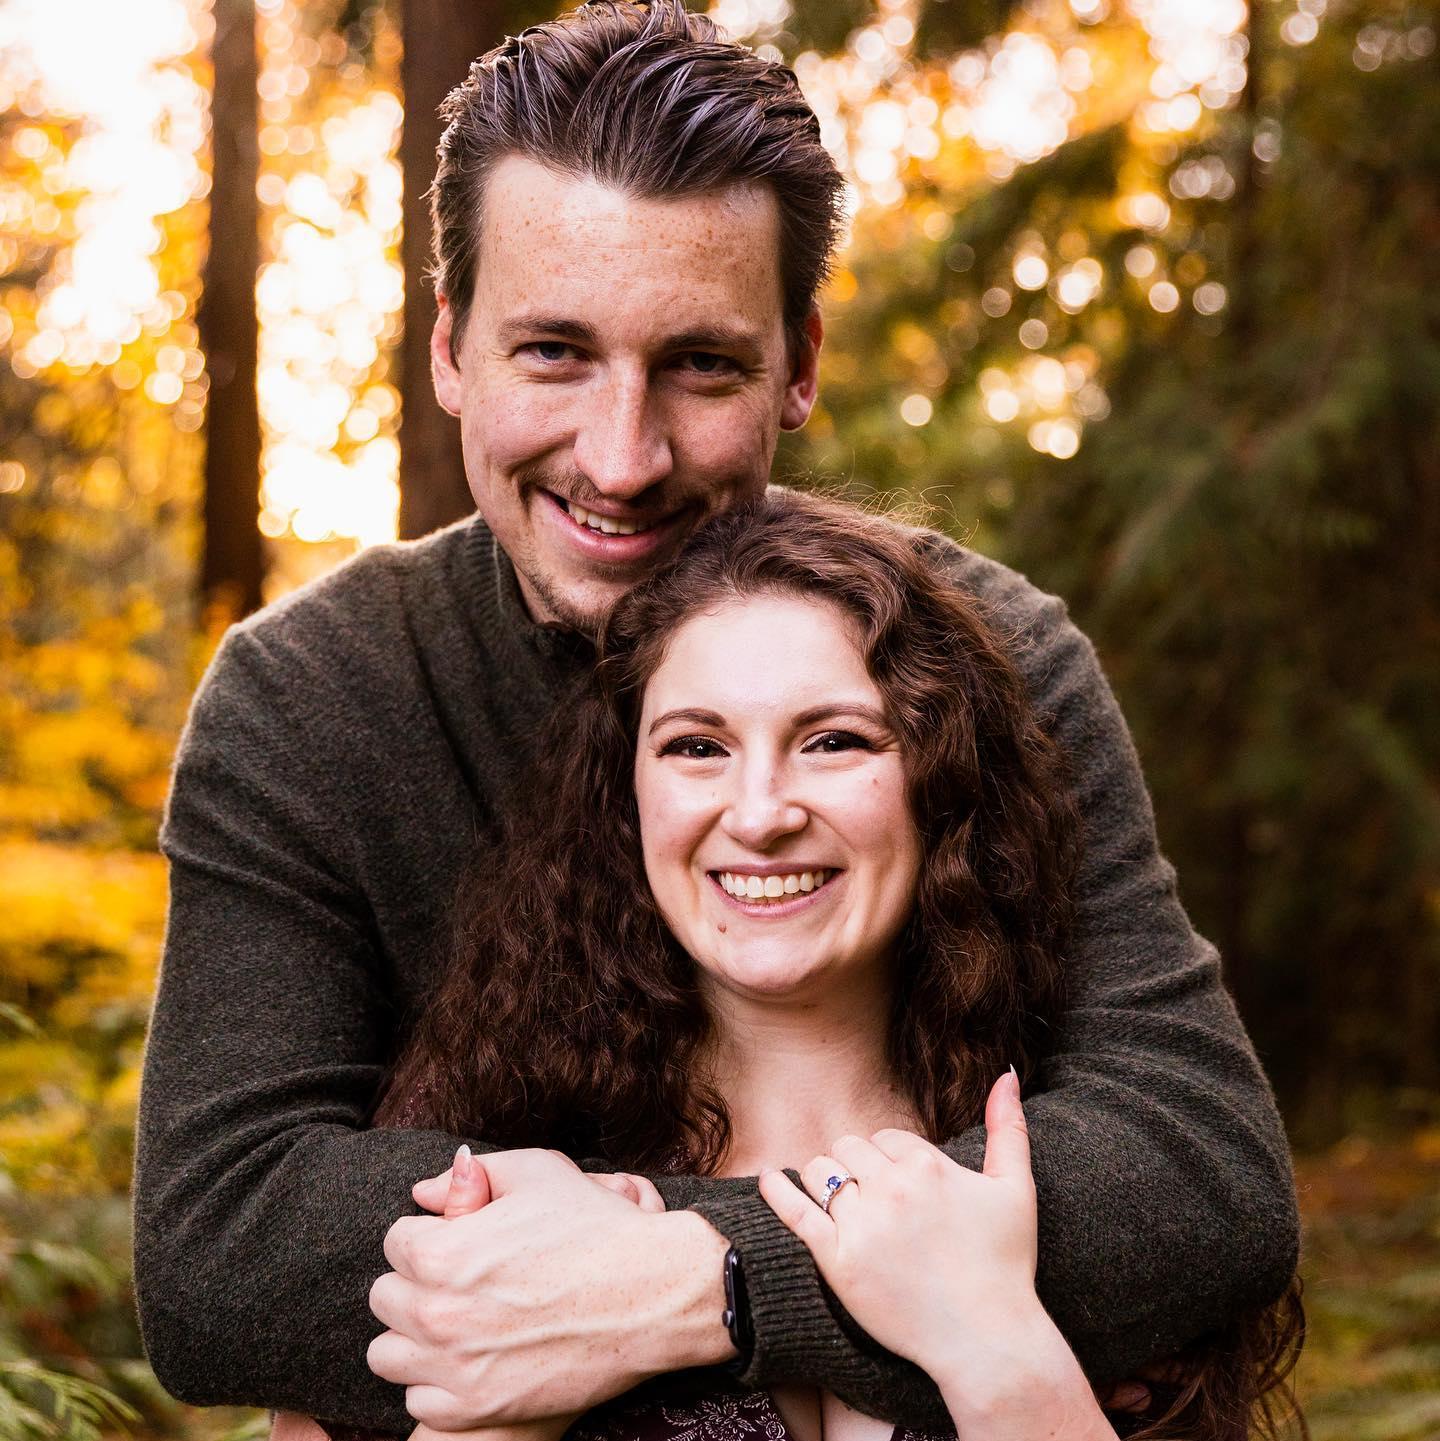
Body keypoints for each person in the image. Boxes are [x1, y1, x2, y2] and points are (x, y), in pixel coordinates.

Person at [133, 1, 1299, 1434]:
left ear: (798, 366)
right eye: (554, 353)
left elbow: (1198, 1175)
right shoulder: (312, 699)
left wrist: (707, 1282)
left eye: (701, 365)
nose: (622, 459)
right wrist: (905, 1288)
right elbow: (225, 1252)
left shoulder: (984, 655)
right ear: (450, 350)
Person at [276, 492, 1302, 1441]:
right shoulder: (505, 1185)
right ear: (626, 798)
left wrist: (999, 1347)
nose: (761, 813)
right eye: (697, 747)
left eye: (834, 741)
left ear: (940, 782)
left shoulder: (1080, 1212)